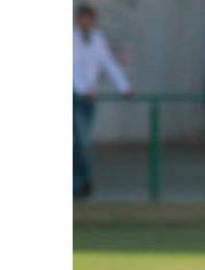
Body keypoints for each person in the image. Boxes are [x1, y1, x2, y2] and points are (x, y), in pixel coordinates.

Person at [73, 4, 132, 199]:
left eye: (89, 19)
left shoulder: (98, 40)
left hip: (88, 100)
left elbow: (108, 64)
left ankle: (80, 182)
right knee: (80, 143)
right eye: (82, 19)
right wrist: (82, 89)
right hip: (75, 97)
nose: (86, 23)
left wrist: (124, 87)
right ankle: (83, 180)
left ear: (94, 21)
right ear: (77, 20)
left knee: (80, 143)